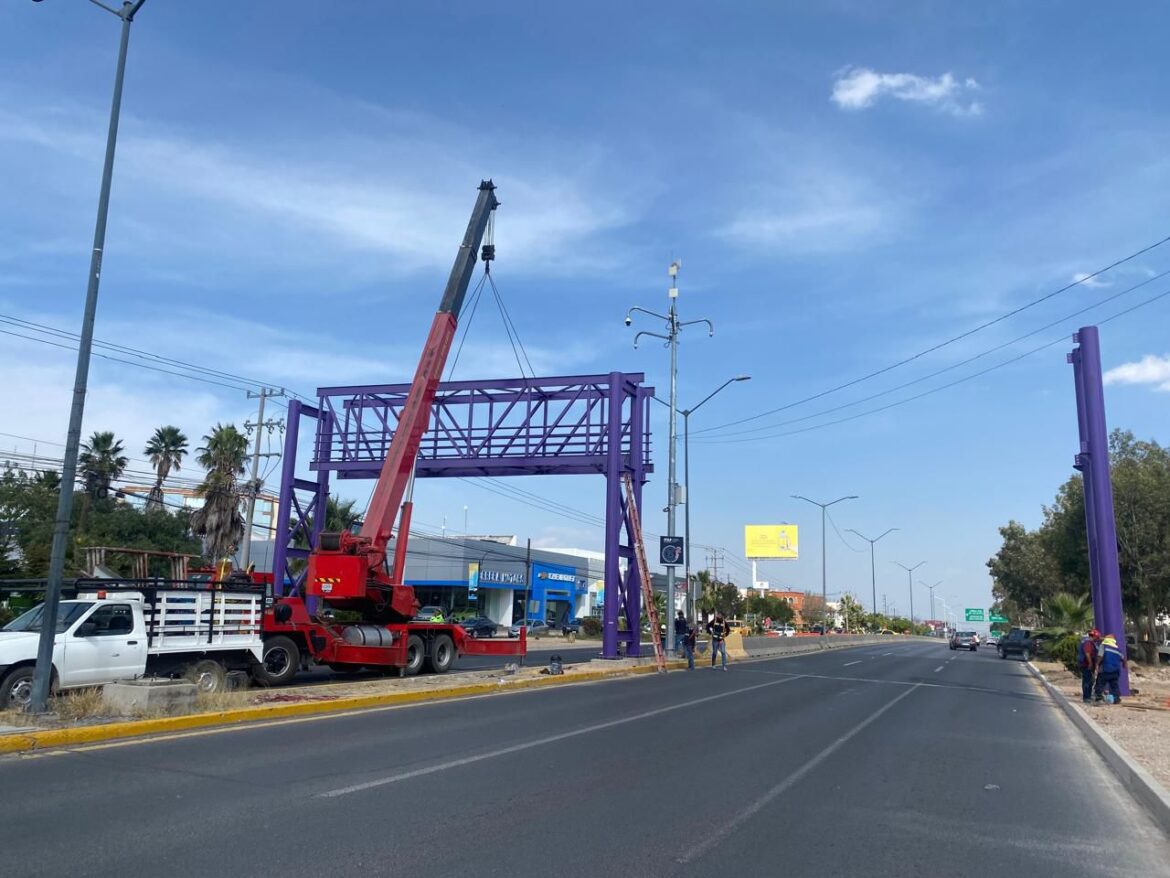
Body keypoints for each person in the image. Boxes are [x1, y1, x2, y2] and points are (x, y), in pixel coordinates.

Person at [1094, 633, 1127, 705]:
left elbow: (1100, 656)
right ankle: (1116, 699)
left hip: (1105, 669)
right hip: (1115, 671)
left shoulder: (1103, 646)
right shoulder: (1117, 649)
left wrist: (1097, 664)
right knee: (1114, 685)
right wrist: (1124, 665)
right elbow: (1123, 659)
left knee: (1100, 684)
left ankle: (1099, 698)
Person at [1076, 628, 1101, 703]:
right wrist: (1090, 663)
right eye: (1096, 637)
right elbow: (1087, 653)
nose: (1097, 639)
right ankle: (1086, 697)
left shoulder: (1088, 641)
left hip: (1086, 663)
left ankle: (1088, 696)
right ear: (1094, 636)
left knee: (1090, 680)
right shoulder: (1088, 643)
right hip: (1086, 664)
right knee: (1087, 681)